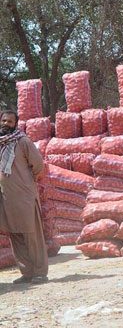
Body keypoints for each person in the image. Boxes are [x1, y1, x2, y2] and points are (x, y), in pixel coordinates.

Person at [0, 110, 48, 284]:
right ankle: (26, 272)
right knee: (15, 236)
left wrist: (27, 182)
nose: (6, 124)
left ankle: (40, 272)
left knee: (31, 235)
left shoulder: (23, 142)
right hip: (7, 199)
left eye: (10, 122)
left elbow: (38, 165)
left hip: (24, 197)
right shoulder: (1, 143)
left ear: (16, 124)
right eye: (4, 120)